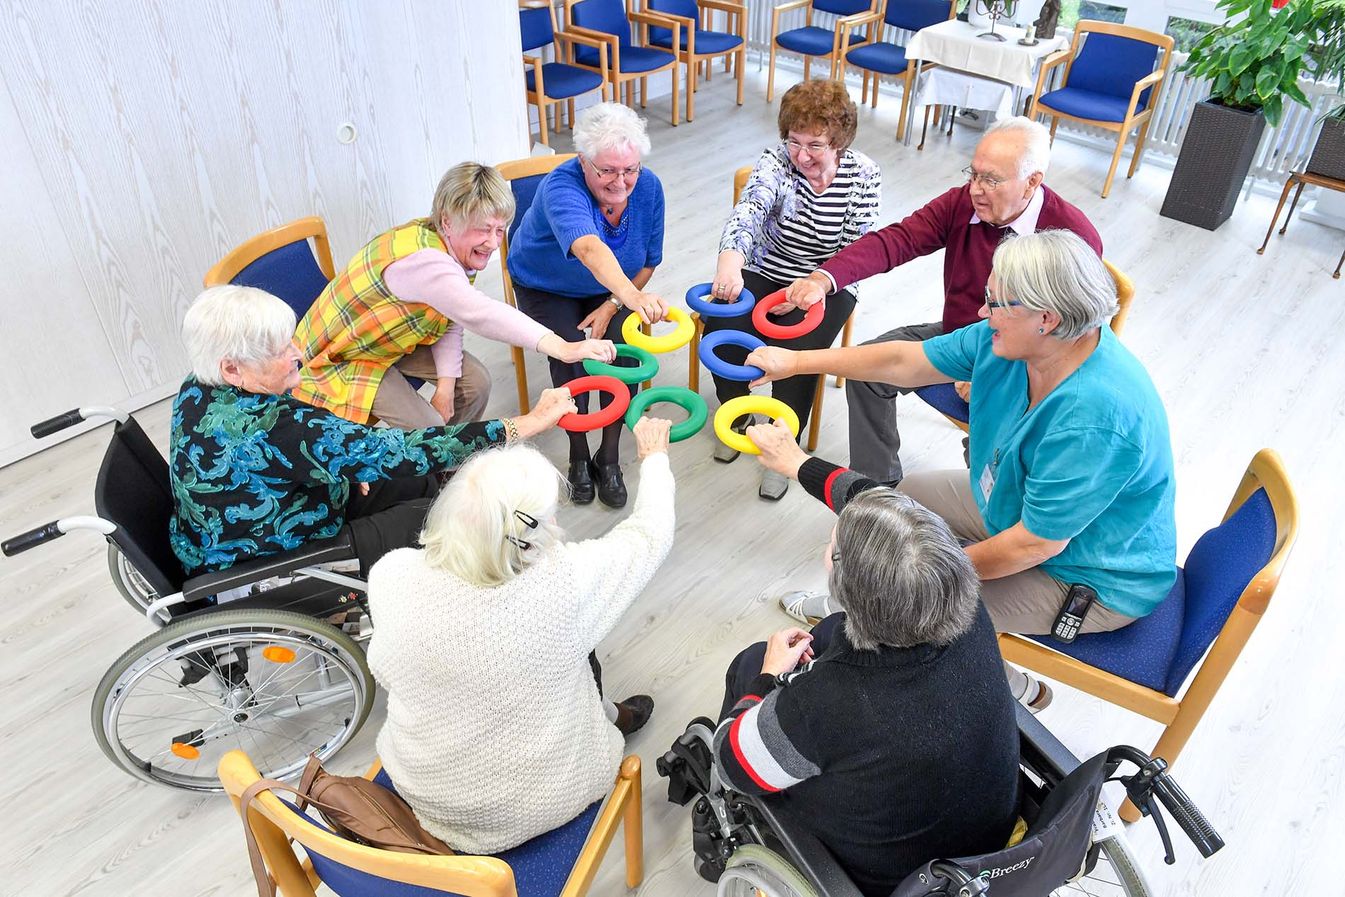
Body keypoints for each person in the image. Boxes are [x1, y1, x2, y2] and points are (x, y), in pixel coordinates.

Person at [745, 231, 1177, 710]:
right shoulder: (1018, 341)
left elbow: (1036, 544)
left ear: (1047, 318)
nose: (980, 312)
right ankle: (861, 607)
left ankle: (1010, 686)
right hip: (1016, 507)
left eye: (994, 303)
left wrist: (904, 578)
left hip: (1088, 574)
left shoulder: (1097, 418)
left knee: (906, 606)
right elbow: (903, 360)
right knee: (905, 499)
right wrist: (796, 362)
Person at [365, 417, 676, 854]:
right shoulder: (562, 583)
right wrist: (655, 457)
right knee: (576, 652)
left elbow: (385, 667)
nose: (558, 529)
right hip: (537, 805)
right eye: (550, 519)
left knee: (564, 654)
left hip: (425, 789)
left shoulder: (391, 575)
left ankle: (607, 712)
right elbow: (651, 534)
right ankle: (609, 719)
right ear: (528, 537)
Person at [712, 489, 1020, 897]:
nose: (829, 547)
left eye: (833, 546)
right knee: (827, 634)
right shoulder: (972, 607)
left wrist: (767, 678)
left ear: (846, 587)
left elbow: (734, 766)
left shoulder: (827, 702)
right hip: (988, 842)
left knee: (748, 665)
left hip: (893, 878)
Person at [170, 285, 577, 578]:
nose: (297, 353)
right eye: (280, 351)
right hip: (270, 553)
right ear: (232, 368)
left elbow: (299, 450)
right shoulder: (277, 429)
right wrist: (521, 424)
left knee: (423, 478)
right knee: (453, 520)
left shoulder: (195, 388)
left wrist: (342, 463)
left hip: (224, 526)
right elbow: (394, 448)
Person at [783, 116, 1102, 484]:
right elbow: (897, 240)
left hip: (1023, 364)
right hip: (959, 338)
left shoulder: (1072, 238)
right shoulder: (962, 204)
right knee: (868, 371)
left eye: (991, 180)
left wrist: (991, 372)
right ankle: (875, 492)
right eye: (973, 174)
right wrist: (825, 278)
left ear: (1032, 181)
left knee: (994, 467)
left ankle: (985, 507)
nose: (976, 190)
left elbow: (1070, 347)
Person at [292, 161, 615, 429]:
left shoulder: (452, 248)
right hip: (341, 356)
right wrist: (563, 347)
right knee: (429, 428)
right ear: (447, 220)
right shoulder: (426, 262)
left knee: (475, 383)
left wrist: (445, 387)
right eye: (482, 229)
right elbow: (479, 312)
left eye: (500, 230)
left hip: (386, 340)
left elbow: (451, 315)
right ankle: (434, 464)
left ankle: (450, 460)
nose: (492, 242)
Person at [705, 78, 882, 501]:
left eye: (816, 145)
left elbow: (862, 249)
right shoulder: (776, 163)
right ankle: (739, 416)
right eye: (794, 142)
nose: (802, 155)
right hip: (769, 268)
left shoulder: (864, 175)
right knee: (719, 325)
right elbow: (750, 209)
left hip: (830, 279)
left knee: (800, 350)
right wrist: (730, 260)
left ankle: (786, 445)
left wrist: (814, 286)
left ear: (839, 141)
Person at [507, 102, 668, 509]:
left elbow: (648, 262)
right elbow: (588, 247)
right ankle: (578, 453)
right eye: (608, 170)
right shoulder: (561, 186)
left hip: (610, 292)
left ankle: (607, 456)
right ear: (583, 161)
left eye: (629, 169)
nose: (621, 181)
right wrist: (632, 297)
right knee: (572, 357)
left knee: (624, 359)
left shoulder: (649, 188)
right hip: (547, 285)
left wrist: (615, 303)